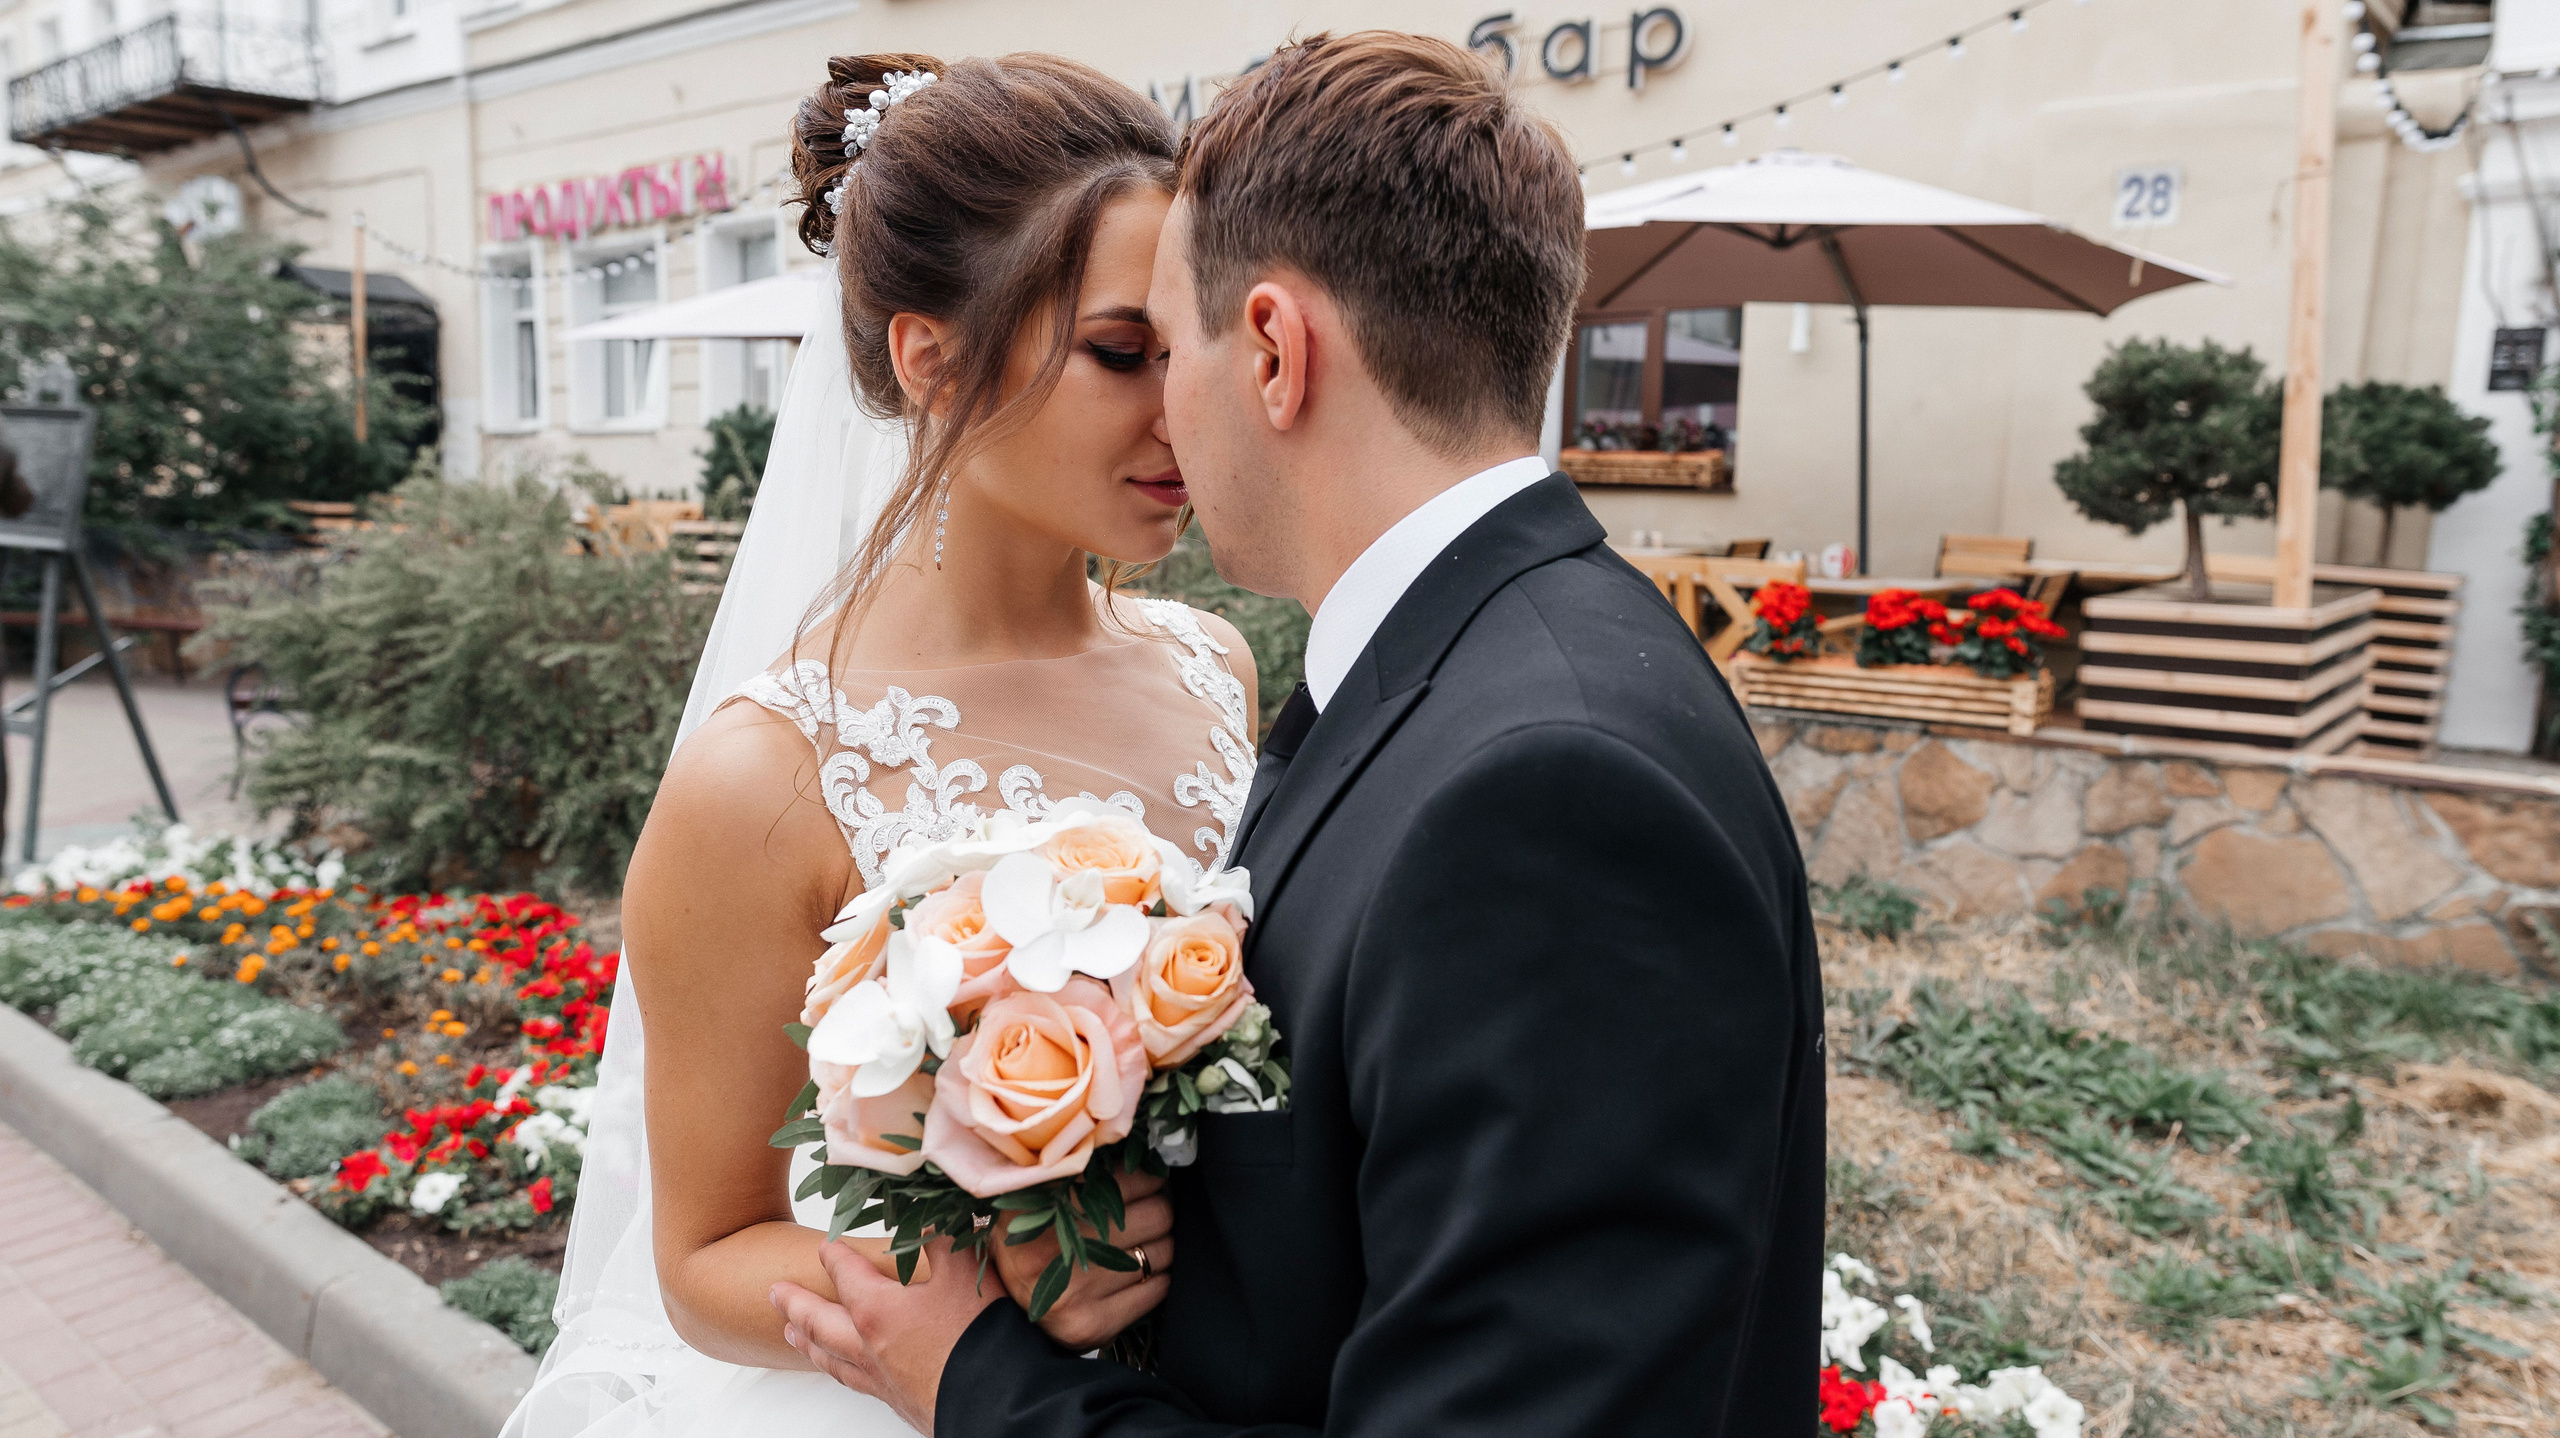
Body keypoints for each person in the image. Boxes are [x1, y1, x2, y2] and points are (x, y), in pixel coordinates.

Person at [771, 30, 1826, 1438]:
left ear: (1271, 347)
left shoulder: (1544, 791)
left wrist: (979, 1376)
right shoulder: (1480, 667)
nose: (1162, 407)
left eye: (1171, 339)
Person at [507, 52, 1252, 1438]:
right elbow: (702, 1257)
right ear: (932, 356)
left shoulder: (1217, 669)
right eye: (1117, 352)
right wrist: (985, 1280)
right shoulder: (768, 776)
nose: (1182, 409)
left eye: (1192, 343)